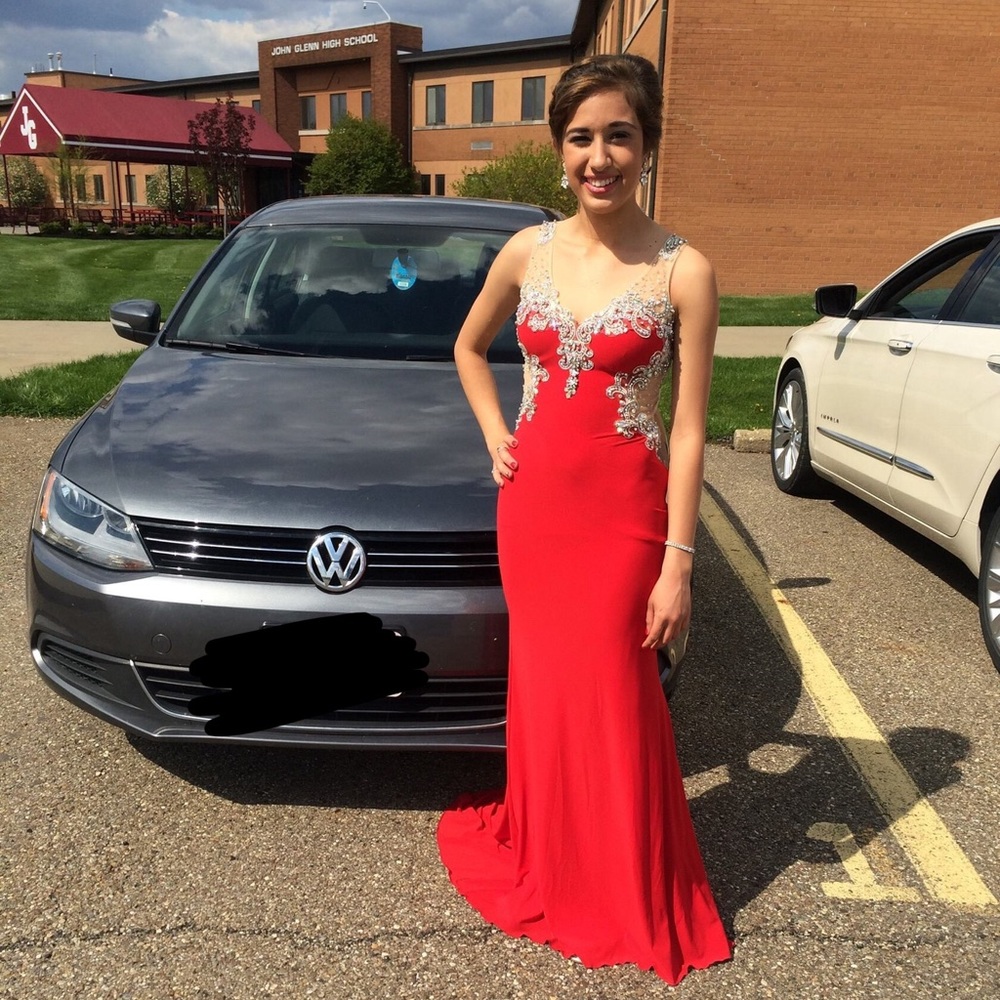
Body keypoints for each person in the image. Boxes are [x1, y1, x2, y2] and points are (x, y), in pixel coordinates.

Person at [437, 53, 732, 984]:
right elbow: (468, 346)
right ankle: (551, 855)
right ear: (559, 147)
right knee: (549, 690)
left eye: (618, 136)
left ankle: (619, 884)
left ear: (645, 145)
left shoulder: (686, 271)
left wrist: (679, 560)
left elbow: (687, 433)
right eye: (580, 138)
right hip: (535, 511)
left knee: (615, 690)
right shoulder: (528, 251)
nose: (598, 157)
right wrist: (495, 432)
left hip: (625, 517)